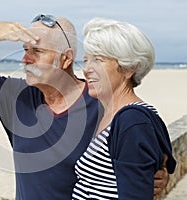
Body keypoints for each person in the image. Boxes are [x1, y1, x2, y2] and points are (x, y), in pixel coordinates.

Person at [0, 14, 169, 200]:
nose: (25, 59)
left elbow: (142, 156)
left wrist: (157, 175)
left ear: (66, 59)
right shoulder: (15, 97)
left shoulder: (103, 103)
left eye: (37, 51)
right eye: (24, 50)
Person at [72, 17, 176, 200]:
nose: (87, 69)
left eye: (98, 60)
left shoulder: (133, 122)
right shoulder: (110, 115)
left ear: (129, 69)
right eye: (86, 60)